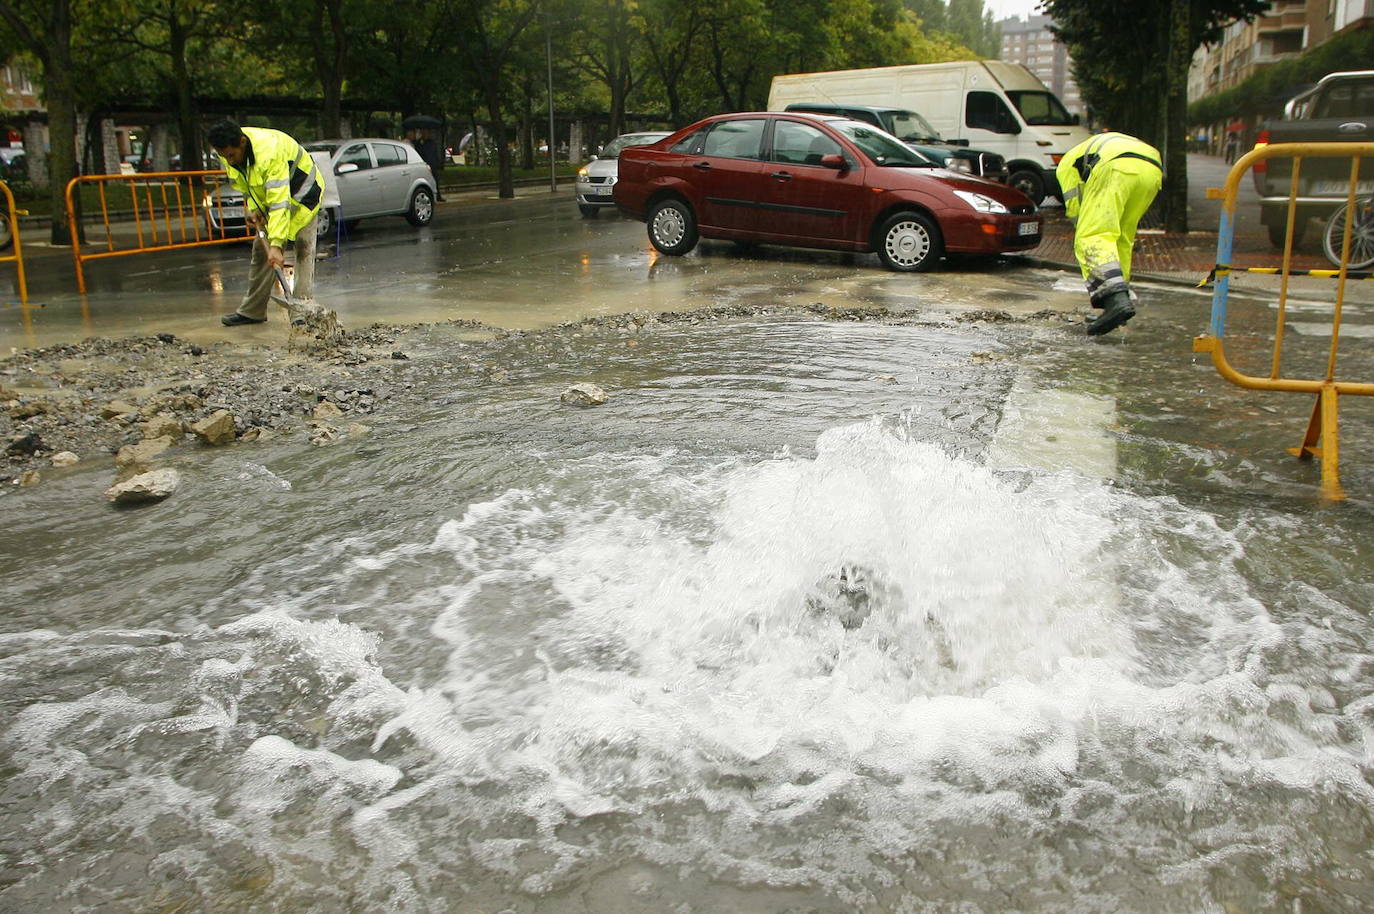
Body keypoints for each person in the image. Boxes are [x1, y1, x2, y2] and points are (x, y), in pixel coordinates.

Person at [207, 120, 325, 326]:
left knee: (303, 250)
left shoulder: (269, 153)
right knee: (262, 253)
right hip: (275, 199)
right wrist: (255, 208)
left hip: (304, 195)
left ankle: (301, 312)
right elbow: (246, 184)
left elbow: (280, 203)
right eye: (224, 156)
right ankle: (252, 311)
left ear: (242, 142)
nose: (229, 161)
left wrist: (277, 246)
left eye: (231, 155)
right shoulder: (229, 154)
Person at [1055, 131, 1163, 336]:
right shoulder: (1084, 152)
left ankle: (1115, 301)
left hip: (1115, 166)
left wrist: (1080, 231)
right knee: (1121, 238)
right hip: (1152, 168)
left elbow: (1076, 208)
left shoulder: (1065, 167)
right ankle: (1118, 306)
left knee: (1092, 236)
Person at [411, 129, 445, 201]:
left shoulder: (432, 142)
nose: (425, 134)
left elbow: (434, 153)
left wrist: (437, 162)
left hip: (432, 164)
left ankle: (437, 195)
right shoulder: (419, 143)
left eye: (426, 133)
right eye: (424, 133)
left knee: (435, 180)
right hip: (425, 164)